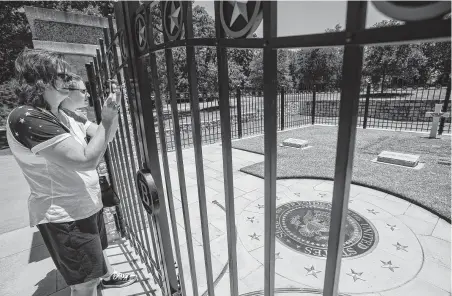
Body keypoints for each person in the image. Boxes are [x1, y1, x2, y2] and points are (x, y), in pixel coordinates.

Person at [6, 48, 136, 296]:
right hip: (66, 217)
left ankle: (106, 279)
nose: (68, 81)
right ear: (41, 78)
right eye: (62, 76)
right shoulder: (27, 118)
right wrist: (107, 122)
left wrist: (114, 111)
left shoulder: (63, 114)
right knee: (85, 283)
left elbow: (104, 134)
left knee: (94, 268)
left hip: (86, 206)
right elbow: (85, 160)